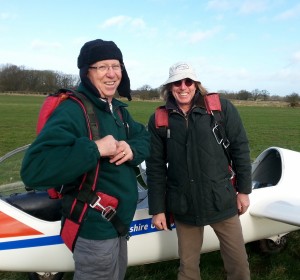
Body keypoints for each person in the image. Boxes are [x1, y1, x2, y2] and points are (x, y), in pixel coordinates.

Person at [21, 39, 150, 280]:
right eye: (102, 67)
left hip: (119, 223)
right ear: (86, 72)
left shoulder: (119, 110)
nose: (111, 74)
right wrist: (95, 149)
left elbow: (145, 137)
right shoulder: (73, 110)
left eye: (116, 66)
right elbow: (34, 169)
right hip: (94, 227)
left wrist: (132, 149)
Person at [146, 61, 252, 280]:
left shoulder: (220, 108)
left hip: (220, 198)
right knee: (187, 267)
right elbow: (155, 167)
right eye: (177, 82)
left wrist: (243, 190)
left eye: (188, 81)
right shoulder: (159, 119)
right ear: (169, 87)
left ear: (196, 84)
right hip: (184, 203)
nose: (183, 87)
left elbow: (240, 148)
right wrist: (158, 209)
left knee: (238, 262)